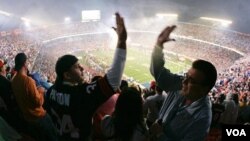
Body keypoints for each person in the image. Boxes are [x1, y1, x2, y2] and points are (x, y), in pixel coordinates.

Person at [44, 12, 127, 141]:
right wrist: (122, 41)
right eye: (77, 66)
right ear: (67, 75)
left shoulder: (49, 92)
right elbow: (113, 81)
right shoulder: (81, 94)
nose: (82, 68)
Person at [149, 25, 217, 141]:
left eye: (192, 81)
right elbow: (159, 74)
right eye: (186, 76)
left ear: (204, 89)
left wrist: (160, 135)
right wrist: (159, 45)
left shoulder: (202, 119)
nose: (184, 81)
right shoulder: (180, 84)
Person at [11, 53, 58, 141]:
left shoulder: (14, 80)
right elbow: (38, 102)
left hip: (28, 118)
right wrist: (41, 90)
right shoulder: (28, 81)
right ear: (25, 64)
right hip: (39, 117)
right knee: (53, 137)